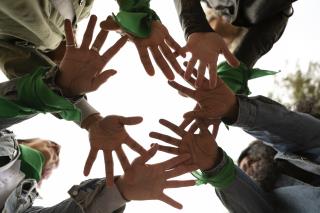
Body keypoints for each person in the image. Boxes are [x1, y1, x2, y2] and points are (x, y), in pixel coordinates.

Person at [149, 73, 320, 212]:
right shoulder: (276, 203)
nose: (247, 168)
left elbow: (291, 128)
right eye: (244, 170)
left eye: (250, 161)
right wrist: (215, 166)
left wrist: (234, 109)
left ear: (265, 150)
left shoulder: (300, 148)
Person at [0, 123, 197, 213]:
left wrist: (120, 191)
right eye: (49, 143)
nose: (55, 151)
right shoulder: (7, 137)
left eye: (56, 160)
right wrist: (87, 114)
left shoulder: (22, 202)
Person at [173, 0, 296, 87]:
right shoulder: (255, 21)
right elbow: (259, 40)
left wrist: (195, 27)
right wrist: (229, 78)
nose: (216, 41)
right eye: (221, 48)